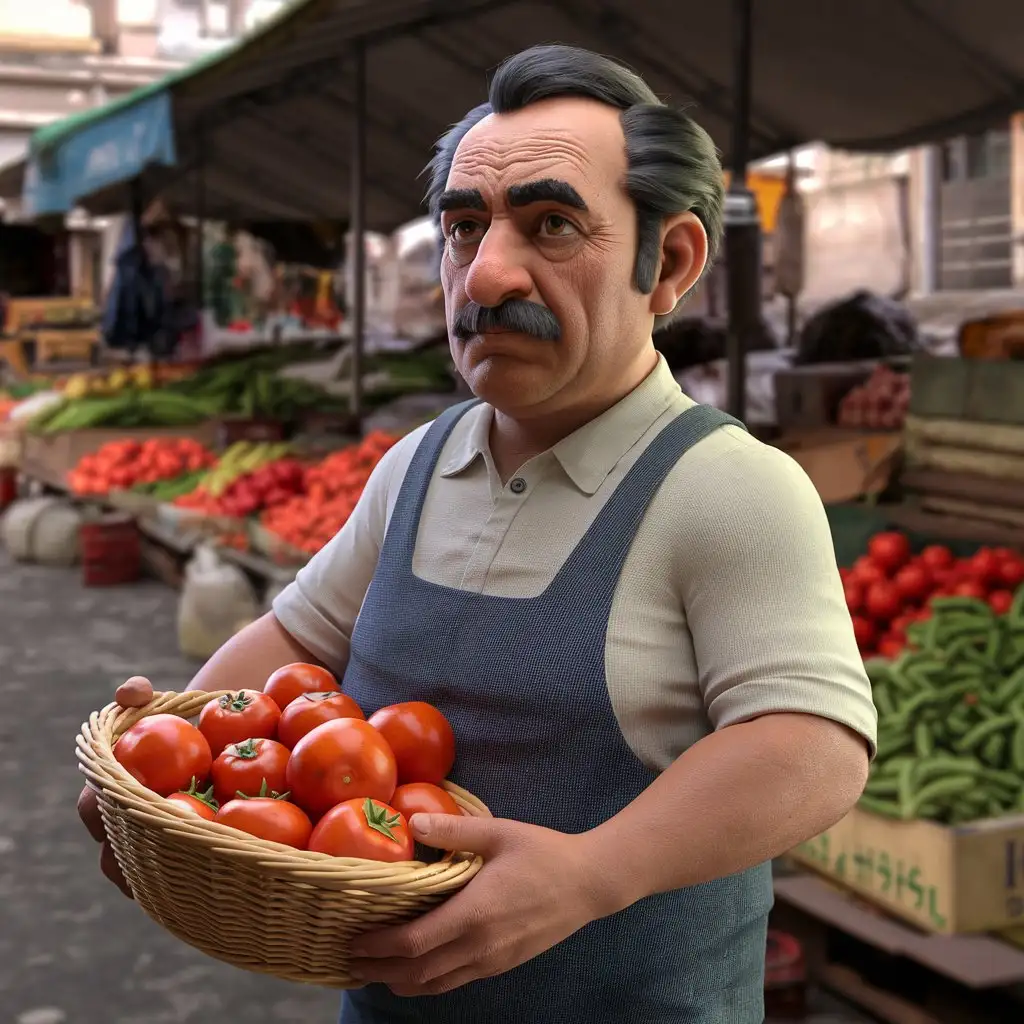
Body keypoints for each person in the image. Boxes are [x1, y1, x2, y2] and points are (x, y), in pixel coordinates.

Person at [79, 44, 876, 1024]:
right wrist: (171, 785)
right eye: (464, 228)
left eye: (551, 225)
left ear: (666, 262)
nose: (486, 272)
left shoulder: (731, 489)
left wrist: (591, 874)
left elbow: (811, 743)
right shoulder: (414, 463)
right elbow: (296, 637)